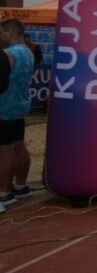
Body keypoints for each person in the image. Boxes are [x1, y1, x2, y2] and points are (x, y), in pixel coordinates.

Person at [0, 19, 35, 211]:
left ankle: (4, 192)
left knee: (4, 150)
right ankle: (21, 185)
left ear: (11, 33)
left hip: (4, 105)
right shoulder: (28, 52)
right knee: (19, 145)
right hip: (21, 104)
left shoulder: (8, 54)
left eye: (2, 33)